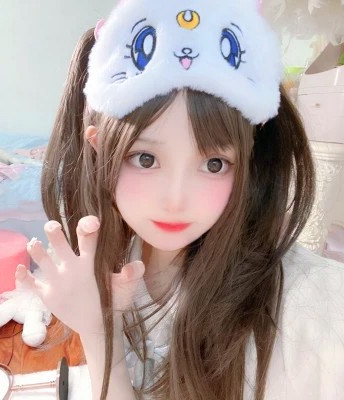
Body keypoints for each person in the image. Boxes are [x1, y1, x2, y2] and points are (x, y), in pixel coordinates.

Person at [26, 0, 344, 399]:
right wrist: (99, 329)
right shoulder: (121, 261)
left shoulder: (312, 308)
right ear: (99, 146)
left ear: (247, 160)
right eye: (145, 159)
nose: (176, 200)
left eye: (213, 164)